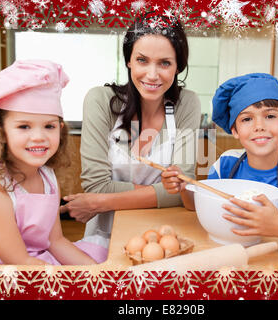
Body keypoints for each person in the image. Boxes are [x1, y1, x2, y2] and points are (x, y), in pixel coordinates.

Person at [60, 13, 201, 258]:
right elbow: (97, 186)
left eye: (165, 63)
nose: (152, 74)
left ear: (179, 65)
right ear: (129, 62)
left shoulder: (186, 104)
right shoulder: (100, 101)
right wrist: (160, 192)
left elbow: (183, 187)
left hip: (165, 234)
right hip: (105, 236)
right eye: (142, 60)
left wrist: (100, 202)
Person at [0, 60, 107, 265]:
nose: (39, 137)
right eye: (24, 126)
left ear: (60, 129)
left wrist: (98, 274)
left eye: (49, 126)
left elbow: (56, 241)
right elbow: (20, 263)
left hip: (35, 260)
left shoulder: (47, 175)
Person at [161, 73, 278, 240]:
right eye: (247, 119)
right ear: (235, 130)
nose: (259, 126)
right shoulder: (225, 164)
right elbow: (197, 206)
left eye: (270, 116)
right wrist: (183, 188)